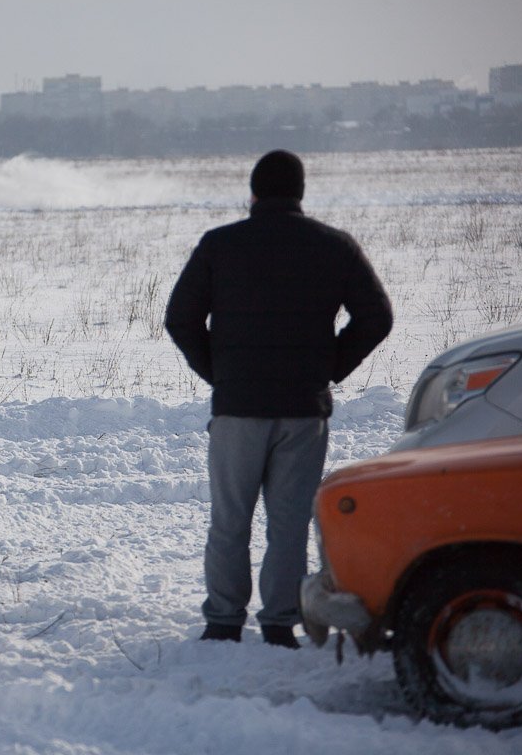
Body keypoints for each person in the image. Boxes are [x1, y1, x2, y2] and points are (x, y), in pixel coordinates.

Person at [165, 150, 392, 648]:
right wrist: (329, 368)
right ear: (300, 194)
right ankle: (279, 623)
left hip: (238, 408)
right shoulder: (335, 246)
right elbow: (377, 318)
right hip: (302, 410)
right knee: (288, 525)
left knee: (230, 520)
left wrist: (220, 374)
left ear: (253, 193)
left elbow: (180, 319)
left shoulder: (219, 245)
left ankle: (223, 623)